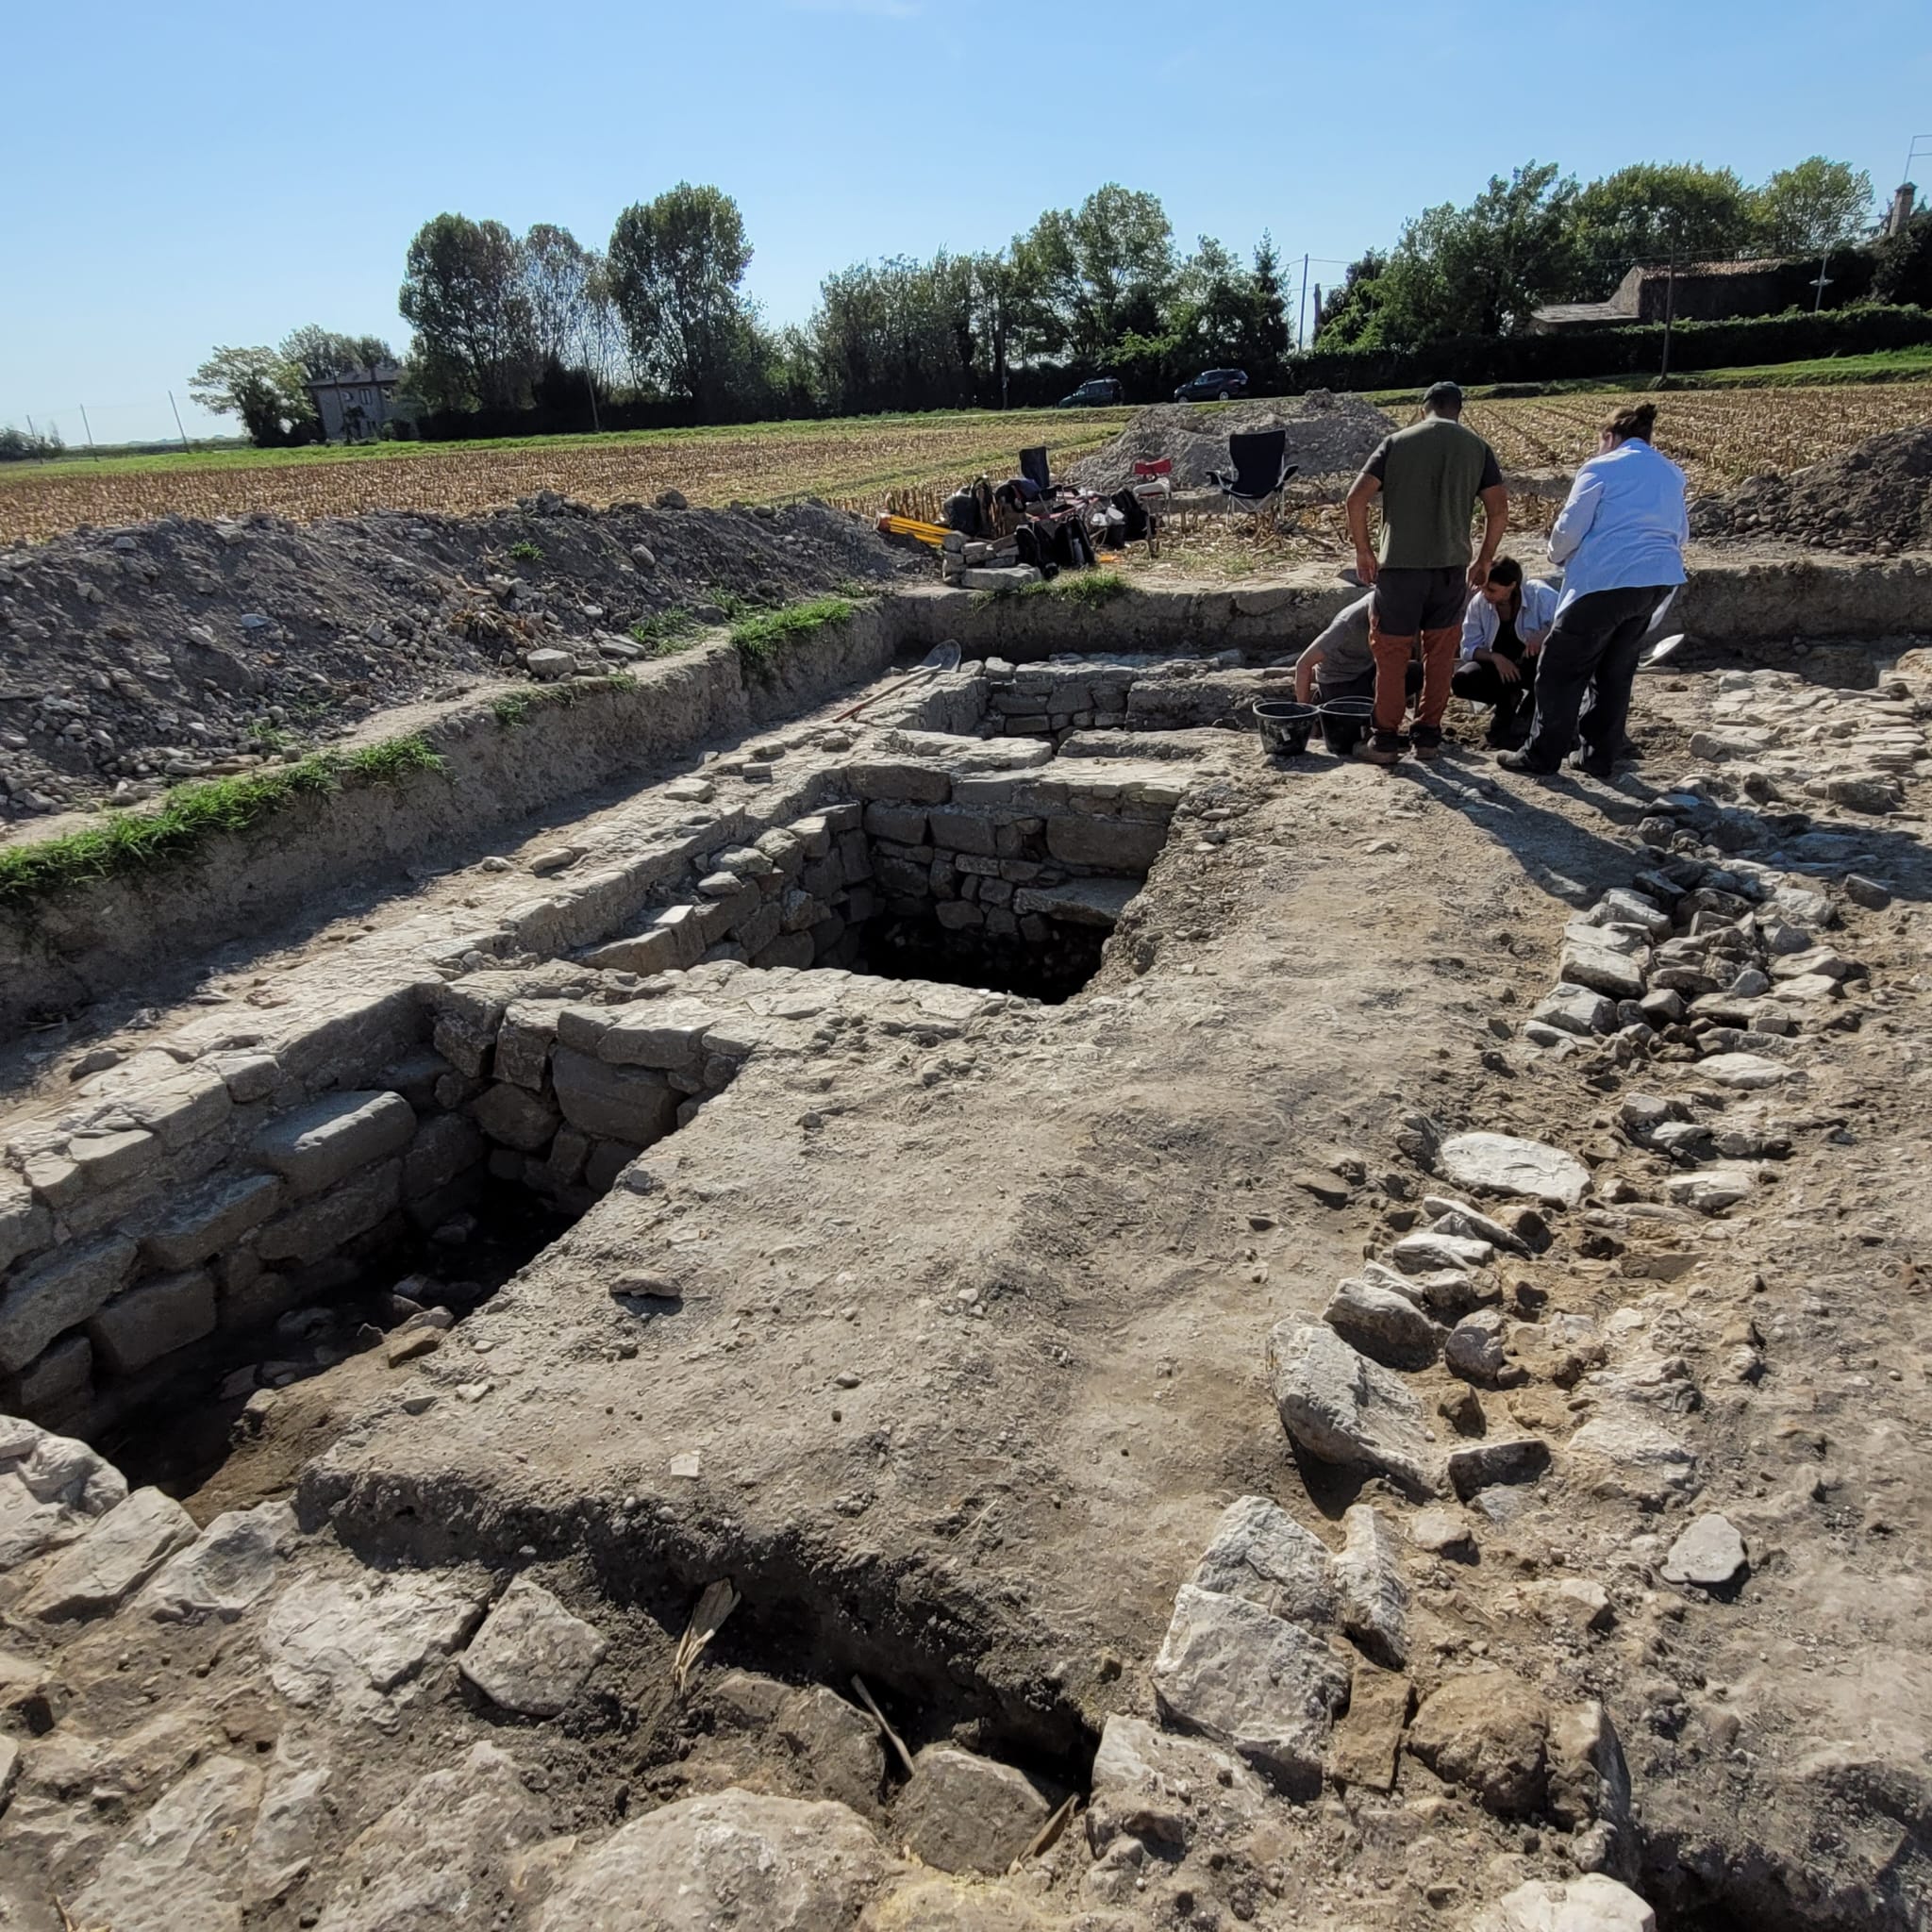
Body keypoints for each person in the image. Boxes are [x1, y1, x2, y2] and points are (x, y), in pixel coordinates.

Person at [1499, 402, 1688, 779]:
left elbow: (1570, 528)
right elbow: (1681, 533)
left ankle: (1541, 755)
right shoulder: (1671, 473)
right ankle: (1597, 757)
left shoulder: (1601, 467)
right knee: (1615, 672)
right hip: (1657, 581)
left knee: (1559, 669)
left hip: (1607, 580)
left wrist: (1556, 554)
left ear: (1609, 437)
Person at [1344, 380, 1507, 766]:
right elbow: (1498, 511)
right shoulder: (1477, 448)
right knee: (1440, 656)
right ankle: (1428, 740)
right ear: (1458, 410)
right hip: (1451, 569)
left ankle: (1385, 742)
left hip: (1400, 569)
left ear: (1424, 408)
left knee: (1391, 655)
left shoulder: (1397, 443)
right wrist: (1484, 559)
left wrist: (1364, 551)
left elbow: (1355, 499)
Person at [1451, 558, 1559, 746]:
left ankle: (1531, 713)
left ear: (1511, 586)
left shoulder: (1540, 595)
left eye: (1492, 590)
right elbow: (1468, 647)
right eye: (1484, 588)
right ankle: (1506, 702)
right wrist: (1495, 657)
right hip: (1502, 668)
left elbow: (1567, 623)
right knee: (1462, 681)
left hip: (1536, 664)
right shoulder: (1479, 603)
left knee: (1547, 668)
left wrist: (1544, 634)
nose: (1485, 594)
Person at [1293, 591, 1422, 707]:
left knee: (1417, 672)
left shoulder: (1393, 605)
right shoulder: (1347, 625)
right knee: (1386, 688)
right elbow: (1303, 664)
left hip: (1365, 669)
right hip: (1339, 682)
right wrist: (1305, 713)